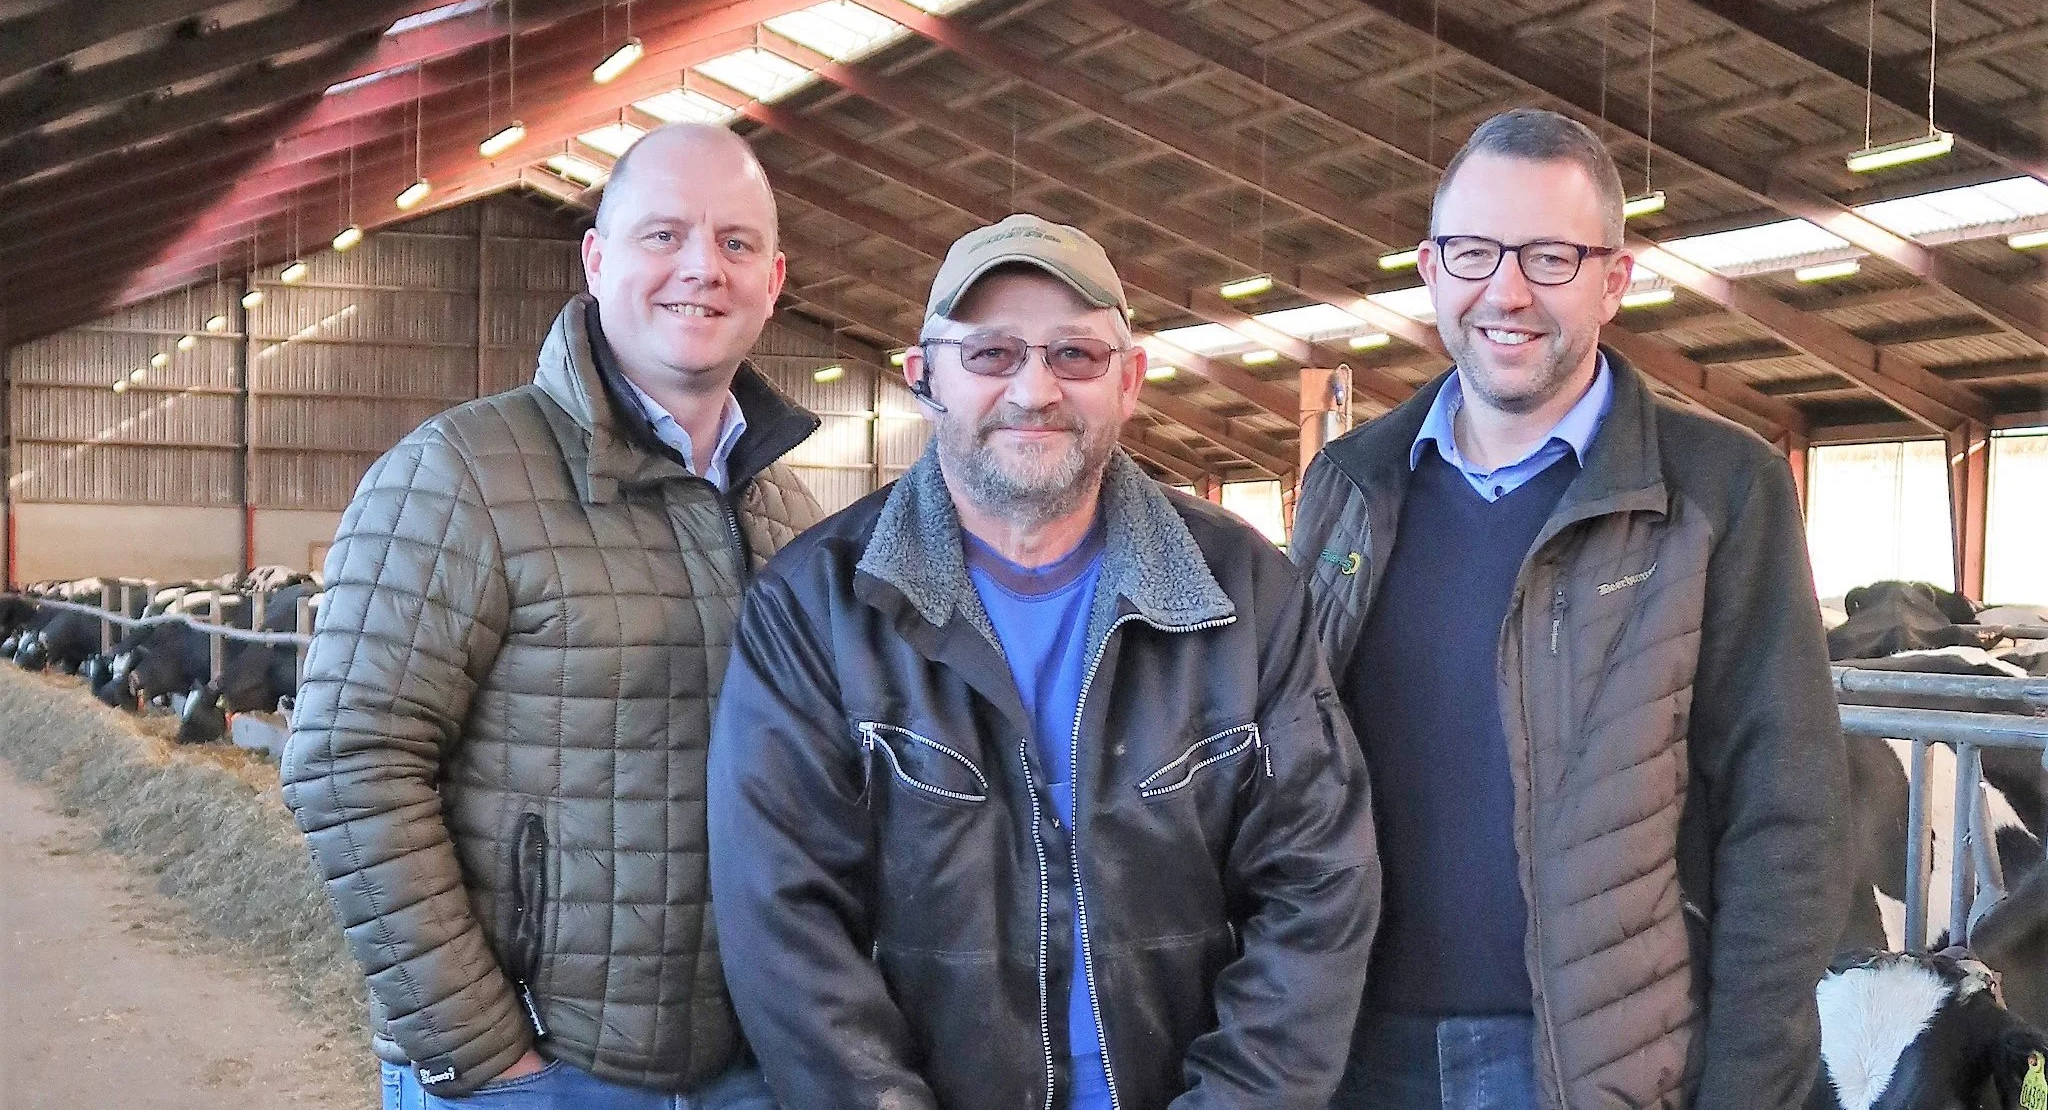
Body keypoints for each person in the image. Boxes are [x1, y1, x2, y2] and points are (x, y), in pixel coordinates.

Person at [706, 213, 1381, 1110]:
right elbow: (782, 923)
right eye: (990, 355)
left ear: (1129, 380)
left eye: (1075, 355)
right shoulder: (817, 608)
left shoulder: (1243, 592)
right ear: (924, 379)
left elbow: (1318, 888)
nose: (1035, 390)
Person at [1290, 108, 1850, 1110]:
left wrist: (1747, 1086)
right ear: (1427, 266)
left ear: (1613, 279)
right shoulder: (1349, 483)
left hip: (1592, 1069)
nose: (1505, 291)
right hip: (1353, 1054)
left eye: (1549, 256)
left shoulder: (1718, 491)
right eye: (1472, 252)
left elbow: (1787, 819)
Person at [281, 123, 824, 1108]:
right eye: (663, 234)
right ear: (597, 257)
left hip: (750, 1066)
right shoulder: (461, 474)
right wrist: (484, 1050)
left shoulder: (793, 513)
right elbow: (346, 758)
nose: (702, 265)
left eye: (736, 242)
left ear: (774, 276)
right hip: (538, 1067)